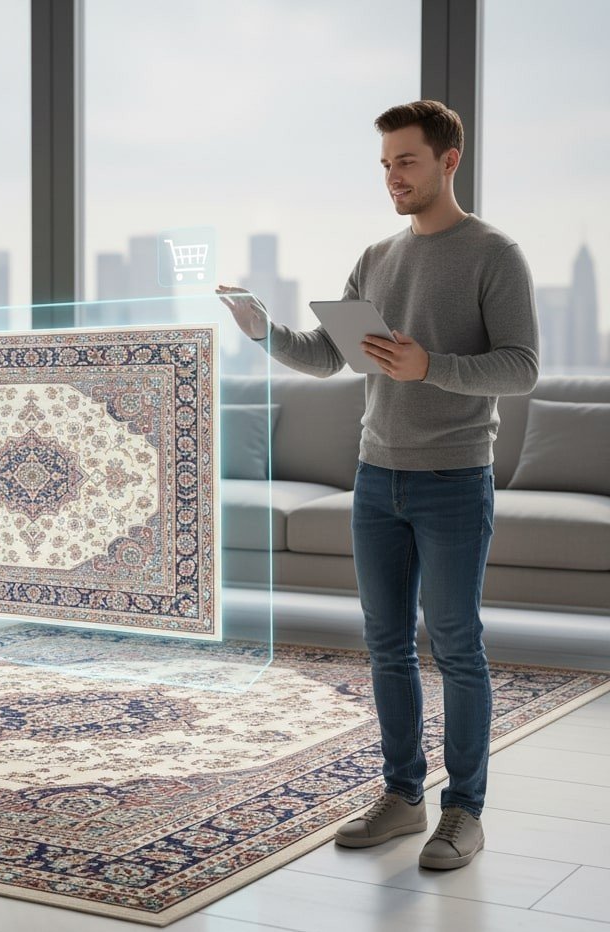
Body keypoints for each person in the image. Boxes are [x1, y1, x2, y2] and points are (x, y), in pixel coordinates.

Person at [217, 100, 539, 871]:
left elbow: (522, 367)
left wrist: (435, 367)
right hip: (376, 480)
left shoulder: (496, 254)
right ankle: (403, 796)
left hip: (455, 481)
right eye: (386, 164)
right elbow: (328, 356)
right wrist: (263, 331)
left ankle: (464, 811)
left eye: (407, 161)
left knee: (457, 645)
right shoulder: (375, 257)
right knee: (386, 646)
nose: (393, 176)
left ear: (449, 160)